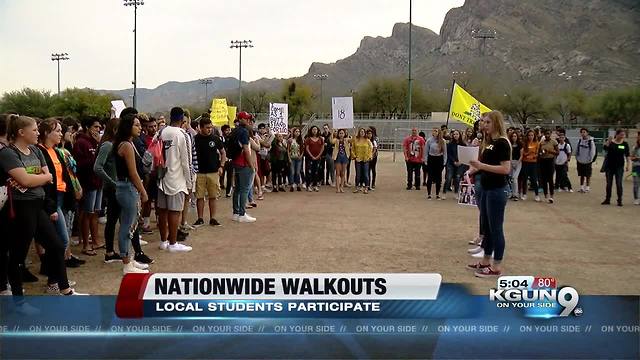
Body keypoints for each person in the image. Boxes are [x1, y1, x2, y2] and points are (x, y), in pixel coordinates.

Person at [0, 116, 85, 302]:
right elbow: (27, 180)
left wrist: (34, 177)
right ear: (21, 132)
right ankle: (18, 301)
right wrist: (38, 177)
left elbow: (49, 177)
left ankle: (62, 288)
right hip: (21, 208)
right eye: (34, 130)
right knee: (17, 256)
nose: (38, 133)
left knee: (56, 246)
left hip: (38, 206)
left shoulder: (36, 151)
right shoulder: (8, 153)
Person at [37, 119, 86, 271]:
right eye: (57, 131)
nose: (61, 134)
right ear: (46, 133)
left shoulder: (55, 151)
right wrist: (50, 206)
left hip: (61, 196)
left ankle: (56, 275)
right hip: (50, 200)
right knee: (60, 240)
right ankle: (54, 277)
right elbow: (43, 179)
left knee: (61, 238)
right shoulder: (39, 151)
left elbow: (64, 175)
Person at [468, 111, 511, 278]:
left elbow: (505, 169)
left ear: (496, 124)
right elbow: (486, 164)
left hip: (497, 190)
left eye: (488, 122)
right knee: (486, 227)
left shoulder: (502, 143)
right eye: (483, 122)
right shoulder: (489, 142)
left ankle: (496, 267)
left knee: (496, 229)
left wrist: (481, 166)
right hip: (486, 187)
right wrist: (474, 168)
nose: (484, 124)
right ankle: (485, 261)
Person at [113, 113, 151, 273]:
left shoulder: (126, 143)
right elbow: (133, 173)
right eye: (136, 124)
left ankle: (130, 258)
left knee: (130, 225)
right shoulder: (127, 146)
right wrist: (143, 192)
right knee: (128, 226)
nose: (140, 127)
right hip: (128, 187)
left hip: (125, 187)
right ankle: (126, 263)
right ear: (128, 127)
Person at [156, 107, 193, 252]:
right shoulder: (182, 135)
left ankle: (163, 241)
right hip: (176, 179)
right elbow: (187, 161)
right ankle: (173, 243)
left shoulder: (161, 132)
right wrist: (190, 183)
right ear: (182, 119)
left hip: (161, 177)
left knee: (162, 211)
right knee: (175, 211)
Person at [73, 116, 104, 256]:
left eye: (99, 127)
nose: (98, 130)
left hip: (98, 182)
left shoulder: (95, 142)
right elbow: (82, 165)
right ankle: (85, 244)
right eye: (95, 127)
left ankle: (96, 240)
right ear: (87, 127)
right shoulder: (81, 142)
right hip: (88, 183)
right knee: (87, 213)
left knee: (95, 212)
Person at [193, 116, 226, 226]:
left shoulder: (215, 138)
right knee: (200, 196)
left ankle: (213, 218)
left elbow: (223, 152)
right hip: (199, 172)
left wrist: (221, 166)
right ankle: (200, 218)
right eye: (207, 127)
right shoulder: (195, 139)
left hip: (213, 172)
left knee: (213, 196)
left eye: (211, 127)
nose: (209, 129)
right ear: (201, 128)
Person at [229, 111, 256, 222]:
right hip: (243, 163)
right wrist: (251, 165)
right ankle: (242, 213)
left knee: (238, 189)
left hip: (236, 162)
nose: (248, 120)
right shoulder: (244, 132)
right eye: (246, 118)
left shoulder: (234, 131)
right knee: (244, 189)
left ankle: (236, 213)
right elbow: (246, 149)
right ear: (240, 119)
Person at [601, 129, 631, 207]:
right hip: (609, 167)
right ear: (616, 134)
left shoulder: (625, 144)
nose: (622, 136)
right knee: (609, 184)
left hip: (619, 167)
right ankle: (607, 199)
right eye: (621, 134)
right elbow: (604, 148)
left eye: (623, 135)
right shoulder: (611, 142)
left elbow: (627, 155)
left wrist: (628, 165)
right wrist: (608, 141)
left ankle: (619, 200)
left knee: (619, 183)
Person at [424, 128, 447, 200]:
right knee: (430, 177)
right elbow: (426, 151)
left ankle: (437, 194)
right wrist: (426, 161)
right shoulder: (429, 140)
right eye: (433, 131)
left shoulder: (443, 141)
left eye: (436, 131)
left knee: (438, 178)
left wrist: (444, 162)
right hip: (431, 159)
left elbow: (445, 153)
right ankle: (429, 194)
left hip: (439, 159)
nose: (434, 132)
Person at [538, 129, 559, 203]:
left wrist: (549, 151)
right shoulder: (542, 142)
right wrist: (541, 154)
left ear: (550, 134)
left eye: (548, 134)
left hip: (550, 160)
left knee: (550, 178)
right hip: (543, 161)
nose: (547, 135)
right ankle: (545, 194)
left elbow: (557, 152)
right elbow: (539, 152)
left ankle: (551, 195)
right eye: (546, 134)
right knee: (543, 179)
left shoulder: (554, 142)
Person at [520, 129, 540, 202]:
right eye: (529, 135)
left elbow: (537, 153)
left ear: (534, 136)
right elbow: (523, 153)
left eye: (532, 135)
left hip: (533, 163)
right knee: (524, 178)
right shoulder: (525, 143)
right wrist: (528, 154)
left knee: (534, 179)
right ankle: (524, 194)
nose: (530, 137)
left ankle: (537, 195)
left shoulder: (536, 143)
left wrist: (533, 156)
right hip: (525, 163)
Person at [444, 129, 465, 199]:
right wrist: (454, 161)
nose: (455, 135)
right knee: (448, 177)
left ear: (460, 135)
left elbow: (465, 154)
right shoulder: (450, 144)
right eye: (454, 134)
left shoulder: (463, 144)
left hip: (460, 163)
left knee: (458, 177)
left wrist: (460, 161)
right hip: (451, 163)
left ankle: (456, 192)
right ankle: (444, 192)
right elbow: (449, 154)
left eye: (457, 134)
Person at [352, 128, 373, 194]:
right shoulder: (356, 140)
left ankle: (366, 187)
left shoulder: (368, 140)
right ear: (359, 132)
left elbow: (370, 149)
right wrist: (355, 157)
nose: (362, 133)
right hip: (358, 159)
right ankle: (357, 187)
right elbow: (352, 149)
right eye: (361, 131)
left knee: (366, 174)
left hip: (365, 159)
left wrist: (369, 156)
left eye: (363, 132)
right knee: (358, 174)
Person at [575, 128, 596, 193]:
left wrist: (591, 159)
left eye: (584, 132)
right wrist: (577, 158)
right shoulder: (579, 141)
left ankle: (587, 188)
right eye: (582, 132)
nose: (583, 133)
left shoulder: (590, 142)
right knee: (581, 175)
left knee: (588, 175)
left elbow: (593, 151)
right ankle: (581, 187)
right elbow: (576, 150)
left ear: (587, 133)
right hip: (580, 160)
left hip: (587, 161)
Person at [304, 126, 324, 192]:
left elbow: (322, 148)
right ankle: (308, 185)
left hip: (318, 158)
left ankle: (315, 185)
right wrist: (312, 156)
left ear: (318, 130)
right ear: (311, 130)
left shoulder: (321, 138)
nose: (314, 131)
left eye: (316, 129)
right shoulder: (308, 139)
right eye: (313, 129)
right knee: (309, 171)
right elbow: (307, 148)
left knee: (316, 171)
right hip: (309, 158)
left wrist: (318, 156)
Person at [331, 129, 351, 193]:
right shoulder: (336, 140)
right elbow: (331, 141)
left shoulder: (346, 139)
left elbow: (353, 140)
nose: (341, 134)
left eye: (342, 133)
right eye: (340, 133)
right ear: (338, 134)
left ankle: (342, 187)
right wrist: (332, 133)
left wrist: (354, 131)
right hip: (338, 157)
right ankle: (337, 188)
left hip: (345, 157)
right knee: (338, 173)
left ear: (344, 134)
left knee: (343, 173)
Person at [287, 127, 304, 192]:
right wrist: (289, 158)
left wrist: (301, 156)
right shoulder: (290, 140)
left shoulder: (301, 140)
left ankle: (298, 184)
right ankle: (292, 184)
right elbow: (288, 150)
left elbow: (302, 149)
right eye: (296, 131)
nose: (297, 133)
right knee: (292, 172)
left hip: (298, 158)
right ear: (293, 132)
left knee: (298, 172)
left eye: (298, 132)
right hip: (292, 157)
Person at [508, 131, 522, 200]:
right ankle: (511, 193)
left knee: (515, 178)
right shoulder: (510, 145)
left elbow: (521, 155)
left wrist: (517, 163)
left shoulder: (520, 145)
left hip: (518, 162)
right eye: (513, 136)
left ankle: (516, 194)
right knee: (511, 178)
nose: (514, 138)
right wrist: (511, 162)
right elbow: (509, 154)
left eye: (515, 136)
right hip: (511, 162)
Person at [631, 132, 640, 205]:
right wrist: (636, 158)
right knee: (636, 183)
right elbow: (631, 157)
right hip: (635, 168)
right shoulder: (635, 148)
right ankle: (636, 198)